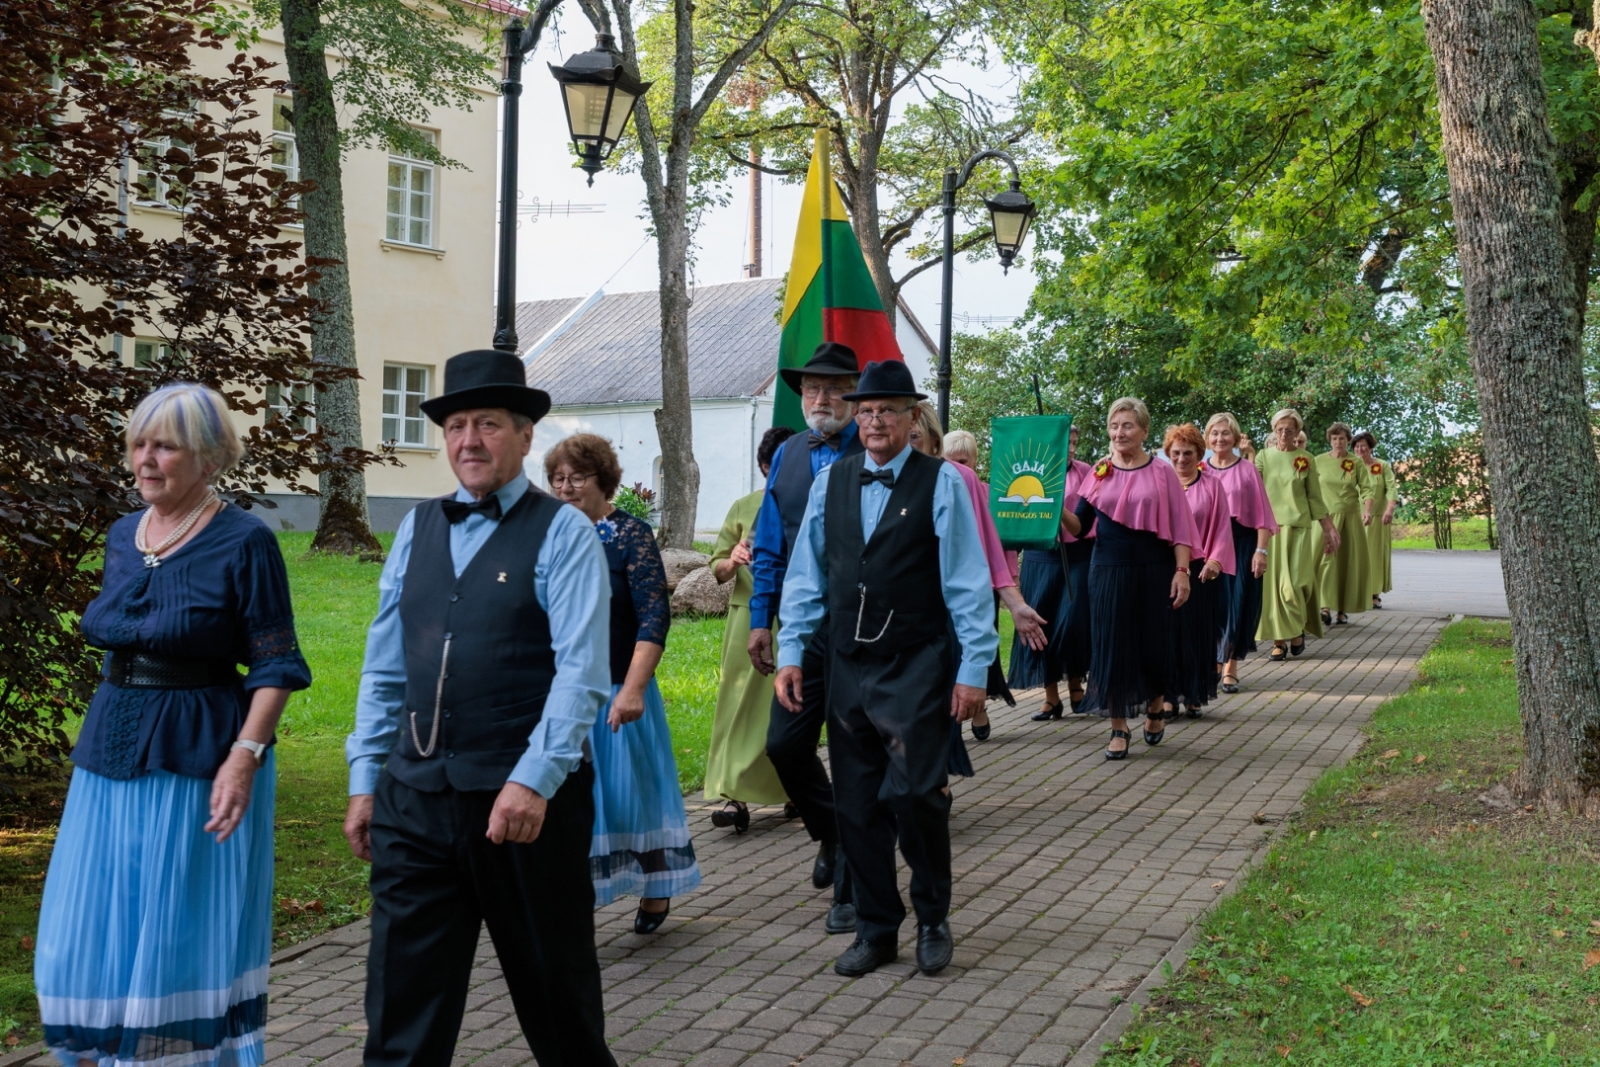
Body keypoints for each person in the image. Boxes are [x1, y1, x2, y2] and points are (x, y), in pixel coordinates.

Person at [345, 350, 616, 1067]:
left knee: (558, 1004)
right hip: (415, 800)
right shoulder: (415, 527)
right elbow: (384, 666)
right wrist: (365, 777)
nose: (469, 440)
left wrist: (533, 778)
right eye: (456, 424)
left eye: (488, 424)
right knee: (400, 1013)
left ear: (526, 436)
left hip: (523, 806)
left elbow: (582, 673)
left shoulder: (565, 533)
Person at [36, 383, 311, 1067]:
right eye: (138, 442)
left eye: (165, 445)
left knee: (172, 928)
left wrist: (244, 757)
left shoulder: (245, 541)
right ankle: (102, 1050)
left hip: (197, 755)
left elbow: (277, 664)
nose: (145, 458)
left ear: (211, 457)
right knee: (85, 928)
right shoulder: (121, 536)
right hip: (110, 749)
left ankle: (171, 1058)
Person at [774, 360, 998, 978]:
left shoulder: (943, 482)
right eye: (866, 411)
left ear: (910, 418)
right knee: (856, 803)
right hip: (847, 663)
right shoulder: (832, 483)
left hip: (917, 661)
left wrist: (974, 666)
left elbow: (967, 582)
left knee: (917, 794)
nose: (875, 421)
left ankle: (932, 916)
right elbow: (805, 579)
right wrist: (791, 652)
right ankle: (876, 928)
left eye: (889, 411)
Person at [546, 433, 702, 933]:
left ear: (603, 480)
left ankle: (655, 889)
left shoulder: (629, 535)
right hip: (558, 693)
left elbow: (654, 619)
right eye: (558, 479)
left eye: (577, 478)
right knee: (569, 803)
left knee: (633, 793)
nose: (566, 488)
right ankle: (574, 898)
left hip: (617, 688)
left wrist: (634, 689)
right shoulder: (544, 534)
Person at [747, 342, 863, 935]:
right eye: (813, 389)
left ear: (856, 393)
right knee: (785, 745)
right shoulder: (790, 453)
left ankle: (851, 889)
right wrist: (759, 620)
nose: (823, 398)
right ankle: (834, 834)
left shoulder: (875, 449)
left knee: (851, 755)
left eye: (836, 388)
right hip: (802, 629)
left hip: (865, 627)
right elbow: (768, 542)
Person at [1058, 399, 1195, 758]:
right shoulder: (1100, 470)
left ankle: (1155, 707)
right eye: (1115, 425)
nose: (1120, 432)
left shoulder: (1162, 472)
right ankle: (1118, 726)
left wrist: (1182, 572)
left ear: (1145, 431)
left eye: (1128, 425)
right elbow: (1081, 526)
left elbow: (1181, 527)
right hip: (1106, 570)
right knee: (1111, 647)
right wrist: (1056, 508)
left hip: (1155, 569)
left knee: (1154, 645)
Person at [703, 426, 796, 832]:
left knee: (788, 708)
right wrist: (735, 558)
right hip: (747, 617)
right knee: (737, 705)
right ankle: (732, 795)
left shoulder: (809, 499)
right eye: (775, 465)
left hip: (793, 616)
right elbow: (717, 569)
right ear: (762, 467)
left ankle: (793, 788)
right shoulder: (743, 507)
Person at [1009, 422, 1095, 718]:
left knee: (1073, 623)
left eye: (1074, 442)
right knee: (1041, 623)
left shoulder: (1087, 472)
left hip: (1079, 555)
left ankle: (1075, 684)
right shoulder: (1032, 472)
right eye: (1065, 443)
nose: (1070, 448)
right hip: (1041, 555)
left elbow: (1087, 520)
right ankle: (1050, 697)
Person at [1255, 408, 1339, 662]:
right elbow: (1253, 493)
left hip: (1299, 528)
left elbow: (1314, 496)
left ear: (1297, 432)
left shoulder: (1306, 459)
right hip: (1270, 531)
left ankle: (1297, 629)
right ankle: (1280, 641)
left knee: (1296, 585)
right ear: (1273, 431)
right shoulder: (1263, 457)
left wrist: (1328, 528)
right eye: (1279, 429)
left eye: (1289, 430)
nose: (1283, 434)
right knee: (1275, 589)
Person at [1163, 424, 1233, 719]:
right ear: (1168, 454)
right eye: (1176, 453)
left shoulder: (1212, 485)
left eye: (1187, 453)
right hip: (1165, 569)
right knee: (1167, 635)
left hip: (1201, 569)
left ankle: (1194, 693)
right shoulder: (1160, 483)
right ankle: (1166, 695)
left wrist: (1215, 560)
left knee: (1196, 634)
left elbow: (1221, 527)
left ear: (1198, 454)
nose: (1181, 459)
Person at [1203, 413, 1276, 694]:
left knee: (1236, 604)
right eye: (1214, 433)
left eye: (1225, 433)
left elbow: (1262, 514)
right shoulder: (1200, 468)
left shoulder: (1246, 470)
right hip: (1210, 545)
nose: (1219, 438)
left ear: (1235, 437)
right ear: (1207, 438)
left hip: (1242, 543)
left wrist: (1261, 550)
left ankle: (1230, 664)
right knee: (1213, 605)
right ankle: (1213, 661)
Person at [1314, 422, 1373, 626]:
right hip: (1324, 518)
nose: (1338, 442)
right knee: (1324, 562)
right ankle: (1323, 606)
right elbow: (1310, 489)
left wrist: (1367, 510)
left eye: (1341, 438)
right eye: (1334, 438)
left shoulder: (1355, 462)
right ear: (1330, 440)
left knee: (1345, 563)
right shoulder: (1318, 461)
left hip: (1349, 518)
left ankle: (1341, 609)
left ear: (1348, 440)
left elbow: (1367, 489)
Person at [1351, 431, 1397, 609]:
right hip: (1354, 517)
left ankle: (1373, 594)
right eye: (1356, 446)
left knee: (1374, 556)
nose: (1360, 449)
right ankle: (1354, 593)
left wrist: (1389, 509)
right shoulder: (1349, 466)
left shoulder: (1382, 466)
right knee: (1354, 556)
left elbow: (1391, 488)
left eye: (1363, 445)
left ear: (1370, 447)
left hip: (1378, 519)